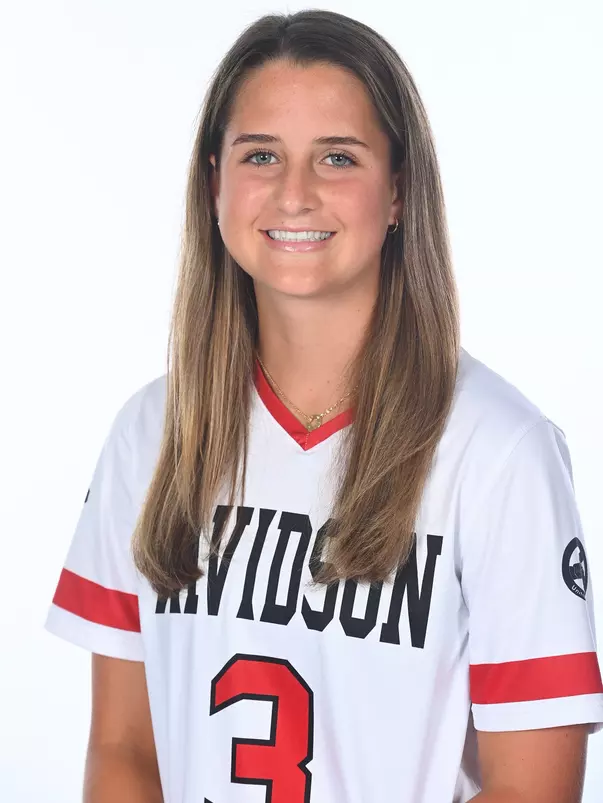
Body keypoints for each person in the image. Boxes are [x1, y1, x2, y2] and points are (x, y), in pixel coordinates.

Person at [45, 9, 603, 803]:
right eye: (260, 155)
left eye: (337, 157)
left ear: (398, 190)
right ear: (214, 184)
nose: (294, 193)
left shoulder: (497, 450)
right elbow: (124, 748)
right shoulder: (153, 432)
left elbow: (533, 790)